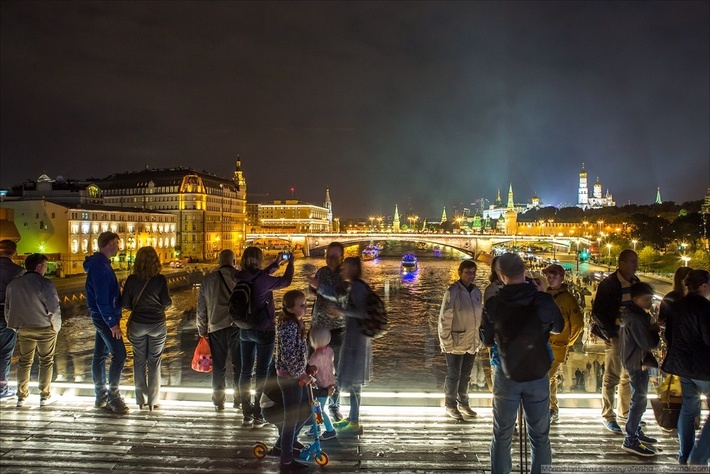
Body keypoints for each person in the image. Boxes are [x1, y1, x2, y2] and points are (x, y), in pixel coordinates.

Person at [481, 253, 564, 474]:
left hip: (505, 371)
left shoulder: (494, 303)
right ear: (524, 271)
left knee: (502, 434)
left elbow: (486, 339)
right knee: (540, 436)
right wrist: (544, 294)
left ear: (501, 275)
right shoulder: (541, 300)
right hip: (537, 370)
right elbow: (558, 327)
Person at [313, 256, 373, 436]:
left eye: (345, 267)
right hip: (354, 338)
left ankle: (354, 421)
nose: (341, 270)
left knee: (355, 382)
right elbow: (336, 294)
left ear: (353, 268)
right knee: (353, 381)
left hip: (358, 341)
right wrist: (318, 286)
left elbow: (362, 312)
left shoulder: (358, 287)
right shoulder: (352, 287)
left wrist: (340, 311)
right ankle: (352, 417)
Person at [236, 246, 294, 427]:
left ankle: (246, 413)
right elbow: (286, 281)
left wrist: (276, 264)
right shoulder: (263, 280)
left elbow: (258, 276)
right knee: (262, 372)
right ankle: (259, 414)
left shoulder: (239, 276)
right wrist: (290, 263)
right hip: (264, 330)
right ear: (259, 260)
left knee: (245, 371)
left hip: (244, 329)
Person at [661, 269, 710, 466]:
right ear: (704, 286)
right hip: (703, 367)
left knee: (688, 409)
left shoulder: (676, 306)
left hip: (681, 366)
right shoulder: (705, 308)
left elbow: (668, 336)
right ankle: (698, 456)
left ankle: (684, 455)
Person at [591, 249, 639, 433]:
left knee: (628, 376)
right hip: (616, 336)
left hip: (632, 337)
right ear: (622, 263)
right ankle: (608, 415)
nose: (636, 265)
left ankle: (624, 413)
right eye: (632, 261)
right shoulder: (609, 284)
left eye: (636, 261)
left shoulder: (636, 283)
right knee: (612, 376)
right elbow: (598, 313)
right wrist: (611, 335)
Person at [4, 254, 61, 407]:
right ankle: (44, 396)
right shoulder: (46, 284)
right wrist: (56, 327)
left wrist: (15, 327)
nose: (46, 268)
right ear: (39, 266)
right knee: (46, 361)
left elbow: (8, 309)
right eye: (45, 265)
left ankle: (21, 396)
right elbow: (54, 309)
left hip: (23, 328)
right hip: (45, 328)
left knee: (24, 362)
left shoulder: (13, 285)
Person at [122, 246, 171, 411]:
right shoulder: (160, 279)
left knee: (139, 361)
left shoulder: (131, 279)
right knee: (154, 361)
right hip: (157, 324)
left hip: (137, 324)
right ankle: (153, 401)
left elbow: (126, 304)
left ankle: (140, 400)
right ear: (156, 261)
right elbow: (167, 303)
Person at [84, 231, 128, 413]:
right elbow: (102, 299)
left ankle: (100, 396)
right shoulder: (101, 267)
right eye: (117, 243)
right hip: (105, 318)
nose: (119, 247)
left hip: (101, 316)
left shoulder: (99, 264)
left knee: (100, 356)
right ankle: (113, 397)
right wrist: (112, 323)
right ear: (110, 244)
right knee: (120, 355)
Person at [618, 282, 660, 456]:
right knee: (639, 400)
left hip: (632, 359)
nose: (650, 302)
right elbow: (648, 343)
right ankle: (630, 439)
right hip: (637, 362)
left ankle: (635, 431)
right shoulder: (637, 318)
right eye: (647, 299)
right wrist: (655, 331)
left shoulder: (631, 314)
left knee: (638, 398)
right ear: (636, 299)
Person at [437, 260, 483, 420]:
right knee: (454, 374)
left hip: (472, 341)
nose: (471, 275)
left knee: (466, 375)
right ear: (460, 273)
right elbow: (444, 319)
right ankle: (450, 405)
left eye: (473, 272)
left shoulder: (476, 292)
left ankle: (463, 403)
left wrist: (479, 339)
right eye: (468, 272)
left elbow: (478, 318)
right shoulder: (452, 292)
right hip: (455, 341)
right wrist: (446, 342)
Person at [196, 249, 240, 411]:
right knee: (239, 366)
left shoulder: (209, 280)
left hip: (215, 327)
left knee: (218, 367)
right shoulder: (240, 277)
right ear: (234, 262)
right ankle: (239, 400)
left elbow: (201, 306)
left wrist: (202, 328)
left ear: (219, 262)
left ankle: (219, 401)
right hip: (237, 327)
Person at [275, 290, 312, 471]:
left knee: (305, 411)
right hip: (290, 379)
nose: (305, 307)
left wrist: (307, 366)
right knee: (292, 418)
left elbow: (299, 351)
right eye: (301, 305)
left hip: (296, 376)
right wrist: (301, 374)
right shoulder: (288, 326)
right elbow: (289, 356)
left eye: (305, 304)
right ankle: (286, 459)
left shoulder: (296, 322)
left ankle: (284, 444)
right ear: (290, 308)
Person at [542, 264, 584, 423]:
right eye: (548, 276)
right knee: (550, 377)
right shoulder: (546, 295)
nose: (550, 279)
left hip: (558, 346)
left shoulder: (567, 299)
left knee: (547, 377)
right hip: (544, 344)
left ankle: (549, 408)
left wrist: (567, 341)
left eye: (553, 276)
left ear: (561, 278)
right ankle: (552, 408)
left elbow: (578, 324)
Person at [309, 242, 346, 421]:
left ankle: (334, 406)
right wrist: (312, 287)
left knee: (335, 371)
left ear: (342, 258)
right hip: (317, 330)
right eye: (328, 255)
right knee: (313, 370)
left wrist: (319, 287)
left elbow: (340, 296)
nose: (330, 259)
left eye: (334, 256)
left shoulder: (345, 276)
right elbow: (314, 292)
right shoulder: (322, 271)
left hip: (337, 329)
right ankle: (314, 407)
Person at [259, 364, 309, 458]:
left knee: (305, 409)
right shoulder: (286, 371)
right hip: (271, 409)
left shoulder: (290, 368)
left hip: (276, 405)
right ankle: (280, 447)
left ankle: (290, 441)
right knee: (301, 412)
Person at [0, 240, 25, 400]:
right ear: (14, 252)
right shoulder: (19, 271)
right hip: (6, 314)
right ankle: (2, 389)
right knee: (4, 352)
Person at [308, 326, 337, 440]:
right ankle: (316, 426)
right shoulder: (330, 350)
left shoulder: (315, 356)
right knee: (318, 407)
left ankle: (330, 430)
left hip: (321, 385)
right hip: (330, 382)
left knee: (319, 409)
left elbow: (310, 370)